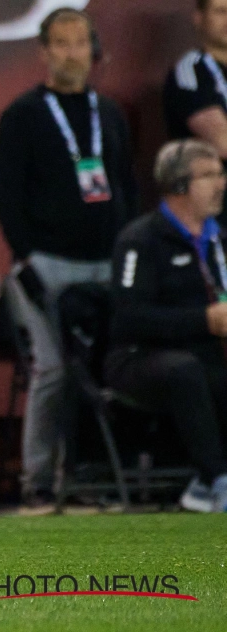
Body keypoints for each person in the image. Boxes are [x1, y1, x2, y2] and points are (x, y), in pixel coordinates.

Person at [0, 7, 138, 514]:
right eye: (61, 43)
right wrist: (25, 257)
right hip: (47, 264)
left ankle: (89, 474)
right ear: (44, 51)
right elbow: (3, 195)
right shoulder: (23, 115)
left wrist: (126, 253)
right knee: (53, 370)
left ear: (92, 50)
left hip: (107, 264)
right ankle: (39, 481)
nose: (73, 53)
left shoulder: (110, 113)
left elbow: (125, 186)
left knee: (104, 373)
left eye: (80, 43)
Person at [108, 140, 227, 513]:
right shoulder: (140, 240)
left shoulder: (219, 238)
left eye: (221, 173)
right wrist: (204, 320)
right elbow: (129, 316)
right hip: (137, 357)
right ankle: (218, 478)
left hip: (203, 355)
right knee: (186, 371)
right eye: (208, 175)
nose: (221, 183)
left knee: (203, 371)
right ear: (177, 186)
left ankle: (203, 486)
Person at [163, 0, 227, 210]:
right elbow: (222, 141)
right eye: (220, 11)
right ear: (199, 18)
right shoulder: (191, 70)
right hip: (210, 211)